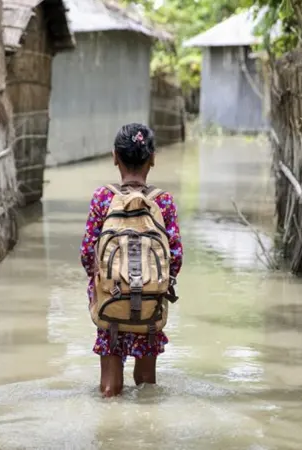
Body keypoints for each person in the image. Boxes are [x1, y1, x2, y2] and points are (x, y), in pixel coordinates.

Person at [80, 123, 183, 398]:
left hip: (110, 300)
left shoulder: (103, 198)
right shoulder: (164, 202)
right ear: (153, 158)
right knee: (147, 385)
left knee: (110, 388)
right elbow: (176, 258)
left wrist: (108, 280)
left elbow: (88, 253)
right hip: (150, 303)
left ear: (115, 156)